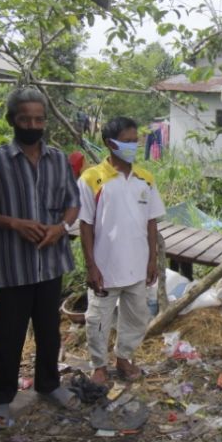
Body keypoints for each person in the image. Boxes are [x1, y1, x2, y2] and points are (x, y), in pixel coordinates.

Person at [0, 87, 82, 430]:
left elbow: (73, 202)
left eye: (39, 119)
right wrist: (13, 224)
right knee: (8, 335)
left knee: (49, 331)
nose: (33, 125)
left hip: (50, 263)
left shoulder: (58, 159)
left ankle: (49, 385)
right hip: (10, 265)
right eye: (26, 119)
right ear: (12, 121)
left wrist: (61, 228)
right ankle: (0, 399)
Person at [78, 117, 165, 385]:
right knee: (98, 320)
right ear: (109, 143)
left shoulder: (145, 180)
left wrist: (152, 260)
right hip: (105, 267)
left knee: (137, 317)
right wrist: (91, 265)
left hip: (138, 266)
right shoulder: (92, 179)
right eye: (126, 142)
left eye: (134, 141)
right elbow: (86, 224)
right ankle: (99, 365)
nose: (132, 146)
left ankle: (124, 358)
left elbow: (151, 223)